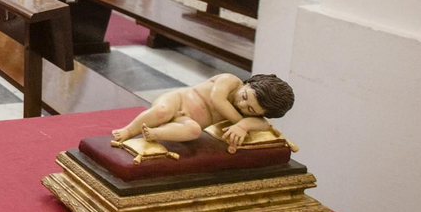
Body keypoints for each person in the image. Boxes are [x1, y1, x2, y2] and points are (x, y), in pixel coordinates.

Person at [111, 73, 294, 148]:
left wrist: (243, 126)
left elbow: (263, 124)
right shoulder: (230, 81)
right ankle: (129, 130)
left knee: (193, 131)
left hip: (187, 120)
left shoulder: (246, 115)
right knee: (162, 112)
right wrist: (241, 121)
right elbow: (217, 100)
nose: (242, 105)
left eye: (251, 109)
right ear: (248, 83)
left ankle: (154, 133)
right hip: (179, 101)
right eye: (245, 97)